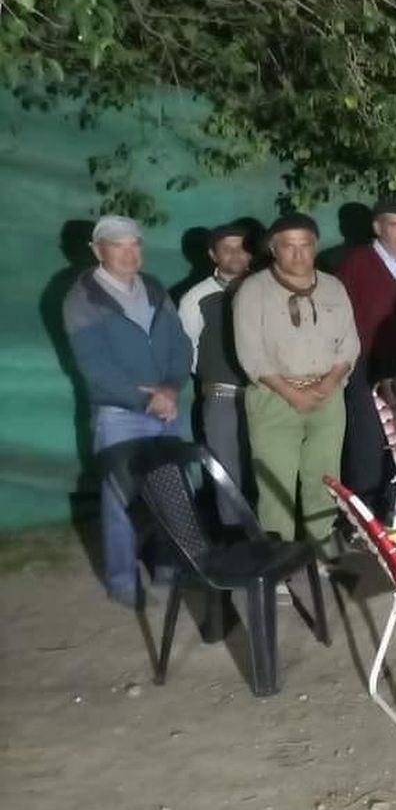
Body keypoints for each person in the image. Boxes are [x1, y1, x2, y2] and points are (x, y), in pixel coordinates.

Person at [63, 215, 193, 606]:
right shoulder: (82, 297)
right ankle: (121, 581)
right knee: (119, 499)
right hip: (119, 415)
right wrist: (147, 399)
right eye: (117, 245)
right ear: (97, 250)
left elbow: (180, 344)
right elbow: (95, 366)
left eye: (134, 244)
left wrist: (171, 387)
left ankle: (169, 567)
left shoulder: (153, 288)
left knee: (173, 492)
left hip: (166, 409)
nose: (128, 253)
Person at [233, 213, 358, 556]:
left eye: (305, 246)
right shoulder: (253, 290)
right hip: (274, 399)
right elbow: (251, 353)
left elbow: (349, 344)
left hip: (328, 396)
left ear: (315, 247)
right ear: (274, 250)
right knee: (276, 484)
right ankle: (279, 559)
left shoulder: (333, 286)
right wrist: (292, 394)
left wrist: (327, 385)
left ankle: (320, 549)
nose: (298, 255)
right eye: (289, 247)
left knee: (324, 477)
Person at [337, 196, 396, 513]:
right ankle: (364, 513)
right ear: (377, 227)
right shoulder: (355, 263)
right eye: (394, 225)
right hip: (364, 365)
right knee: (368, 441)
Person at [177, 222, 253, 519]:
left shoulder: (266, 288)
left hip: (267, 396)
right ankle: (235, 538)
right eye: (227, 249)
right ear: (213, 255)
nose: (236, 254)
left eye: (242, 247)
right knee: (228, 470)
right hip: (224, 396)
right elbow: (188, 346)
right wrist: (215, 373)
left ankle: (271, 536)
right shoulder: (196, 297)